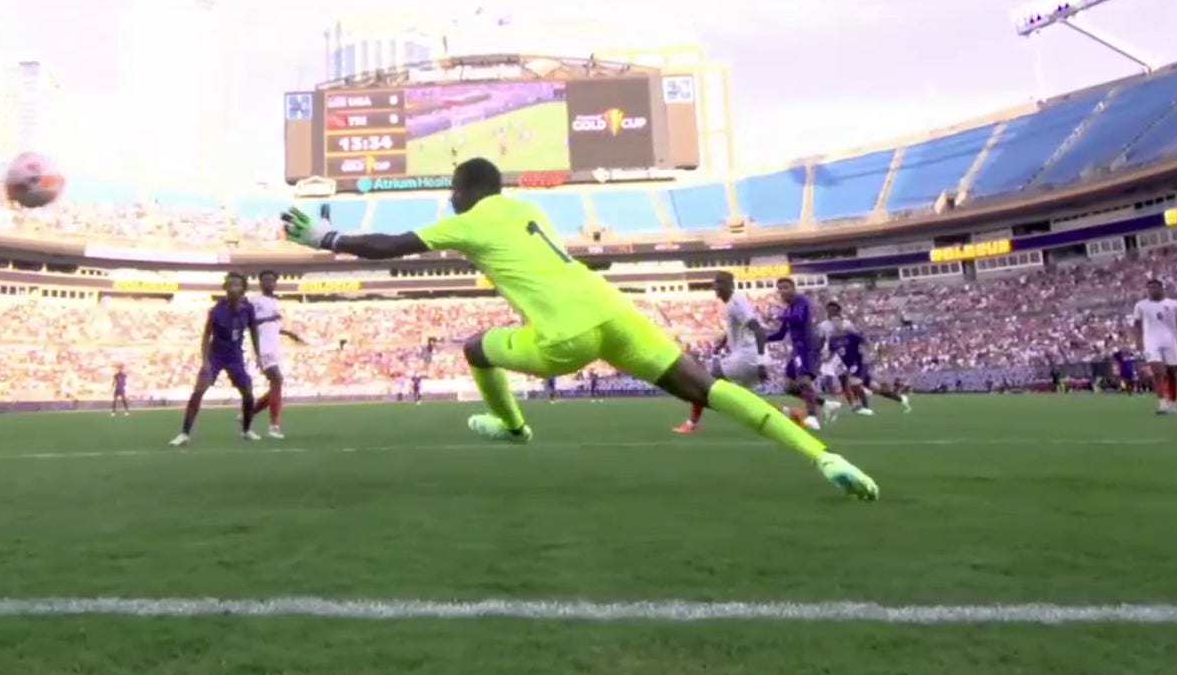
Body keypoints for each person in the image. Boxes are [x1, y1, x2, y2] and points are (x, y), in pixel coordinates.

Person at [282, 158, 879, 500]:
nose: (451, 199)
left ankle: (514, 427)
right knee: (709, 390)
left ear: (465, 191)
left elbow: (391, 245)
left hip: (567, 335)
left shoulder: (471, 217)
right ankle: (821, 455)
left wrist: (327, 239)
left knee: (474, 349)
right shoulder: (529, 210)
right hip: (615, 314)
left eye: (453, 191)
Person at [171, 273, 262, 446]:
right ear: (225, 288)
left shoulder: (248, 309)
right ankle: (184, 433)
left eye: (237, 284)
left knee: (248, 393)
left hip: (235, 355)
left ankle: (246, 430)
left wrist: (258, 354)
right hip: (216, 355)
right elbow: (206, 336)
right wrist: (205, 361)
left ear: (243, 288)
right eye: (230, 284)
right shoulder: (217, 310)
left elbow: (254, 331)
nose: (233, 287)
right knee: (199, 390)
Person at [674, 271, 770, 434]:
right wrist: (723, 342)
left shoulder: (736, 302)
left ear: (731, 285)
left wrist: (760, 362)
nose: (716, 286)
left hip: (749, 357)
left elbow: (758, 330)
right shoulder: (732, 304)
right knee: (745, 401)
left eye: (720, 282)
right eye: (715, 282)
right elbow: (741, 326)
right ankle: (789, 413)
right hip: (747, 357)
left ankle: (692, 424)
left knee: (703, 382)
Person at [767, 278, 840, 430]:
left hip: (807, 346)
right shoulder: (788, 309)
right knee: (788, 386)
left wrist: (777, 315)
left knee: (804, 381)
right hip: (797, 349)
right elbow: (780, 334)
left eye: (786, 287)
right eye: (780, 288)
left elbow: (798, 318)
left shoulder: (800, 301)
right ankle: (825, 404)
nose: (782, 291)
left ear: (793, 288)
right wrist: (761, 338)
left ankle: (813, 417)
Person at [246, 269, 303, 439]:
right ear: (260, 282)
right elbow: (250, 322)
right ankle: (273, 426)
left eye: (272, 280)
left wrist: (289, 334)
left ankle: (248, 414)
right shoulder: (255, 301)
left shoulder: (274, 302)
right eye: (265, 280)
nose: (269, 283)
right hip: (261, 347)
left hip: (273, 347)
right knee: (277, 380)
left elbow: (273, 327)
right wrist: (270, 319)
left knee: (276, 384)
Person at [1132, 278, 1177, 415]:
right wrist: (1138, 341)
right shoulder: (1141, 305)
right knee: (1157, 372)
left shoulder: (1173, 304)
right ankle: (1162, 403)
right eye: (1149, 288)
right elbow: (1137, 325)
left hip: (1170, 340)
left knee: (1172, 373)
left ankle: (1173, 403)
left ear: (1162, 288)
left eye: (1155, 287)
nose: (1152, 290)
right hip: (1151, 341)